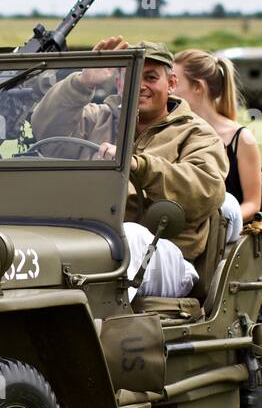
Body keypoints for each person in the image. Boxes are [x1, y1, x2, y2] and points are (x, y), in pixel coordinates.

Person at [31, 37, 228, 262]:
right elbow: (44, 128)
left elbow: (207, 190)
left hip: (166, 252)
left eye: (151, 77)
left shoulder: (195, 133)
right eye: (131, 77)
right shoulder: (97, 118)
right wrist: (82, 83)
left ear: (172, 83)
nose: (141, 85)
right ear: (118, 84)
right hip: (90, 240)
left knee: (133, 237)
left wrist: (138, 165)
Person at [173, 49, 262, 242]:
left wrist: (216, 222)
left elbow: (253, 203)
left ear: (198, 87)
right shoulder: (173, 132)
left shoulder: (241, 138)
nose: (169, 89)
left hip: (222, 236)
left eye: (175, 82)